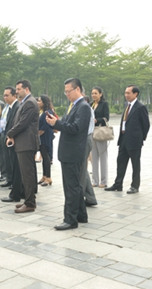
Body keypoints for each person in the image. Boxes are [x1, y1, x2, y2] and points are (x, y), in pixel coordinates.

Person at [46, 78, 91, 230]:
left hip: (73, 152)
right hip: (68, 152)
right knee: (75, 185)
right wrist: (56, 122)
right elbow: (67, 124)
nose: (66, 94)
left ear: (77, 89)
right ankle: (81, 215)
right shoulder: (73, 105)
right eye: (65, 92)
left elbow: (76, 128)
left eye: (68, 91)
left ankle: (70, 219)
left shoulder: (83, 107)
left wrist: (57, 124)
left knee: (71, 187)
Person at [105, 85, 150, 194]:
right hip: (123, 139)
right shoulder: (126, 105)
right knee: (120, 162)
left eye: (128, 93)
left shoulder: (140, 107)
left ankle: (135, 186)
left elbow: (146, 125)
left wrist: (140, 138)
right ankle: (118, 184)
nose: (126, 95)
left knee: (135, 164)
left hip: (134, 141)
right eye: (125, 93)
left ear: (136, 94)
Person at [5, 80, 39, 213]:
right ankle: (28, 200)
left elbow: (23, 123)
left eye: (19, 89)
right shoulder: (25, 102)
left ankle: (30, 203)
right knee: (25, 174)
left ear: (27, 89)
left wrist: (10, 133)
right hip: (22, 142)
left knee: (28, 174)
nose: (17, 91)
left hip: (27, 143)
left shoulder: (30, 102)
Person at [0, 87, 20, 189]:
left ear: (14, 96)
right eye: (4, 95)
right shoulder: (8, 107)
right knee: (6, 159)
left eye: (7, 95)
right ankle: (9, 179)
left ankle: (14, 182)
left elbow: (15, 123)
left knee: (13, 161)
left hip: (12, 137)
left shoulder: (17, 106)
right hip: (5, 134)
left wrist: (10, 135)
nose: (5, 97)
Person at [90, 87, 110, 188]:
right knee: (93, 157)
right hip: (92, 133)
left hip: (101, 132)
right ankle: (95, 180)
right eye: (92, 93)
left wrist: (97, 120)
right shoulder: (91, 105)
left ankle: (104, 181)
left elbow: (106, 117)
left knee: (103, 157)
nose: (93, 95)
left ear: (100, 94)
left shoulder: (104, 104)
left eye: (96, 93)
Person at [37, 95, 55, 187]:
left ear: (44, 102)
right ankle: (44, 176)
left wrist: (38, 134)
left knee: (47, 157)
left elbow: (45, 126)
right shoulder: (42, 111)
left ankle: (48, 177)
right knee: (44, 156)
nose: (38, 102)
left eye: (39, 101)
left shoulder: (47, 112)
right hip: (42, 136)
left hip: (45, 136)